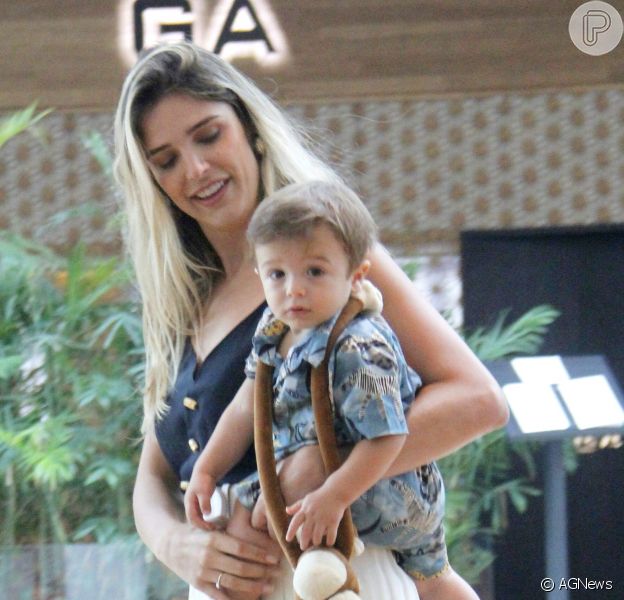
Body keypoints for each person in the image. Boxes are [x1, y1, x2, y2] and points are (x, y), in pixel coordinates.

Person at [113, 40, 508, 600]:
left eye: (208, 135)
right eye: (166, 159)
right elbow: (153, 478)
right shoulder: (186, 296)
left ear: (247, 126)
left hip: (339, 573)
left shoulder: (326, 259)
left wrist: (316, 470)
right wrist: (175, 545)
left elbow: (477, 400)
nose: (196, 169)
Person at [184, 180, 479, 600]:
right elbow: (245, 406)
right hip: (316, 469)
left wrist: (333, 495)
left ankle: (333, 581)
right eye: (277, 274)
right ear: (260, 275)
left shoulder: (360, 345)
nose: (294, 289)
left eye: (315, 271)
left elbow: (389, 436)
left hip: (383, 483)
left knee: (431, 571)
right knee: (242, 524)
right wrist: (207, 469)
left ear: (355, 273)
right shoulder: (275, 328)